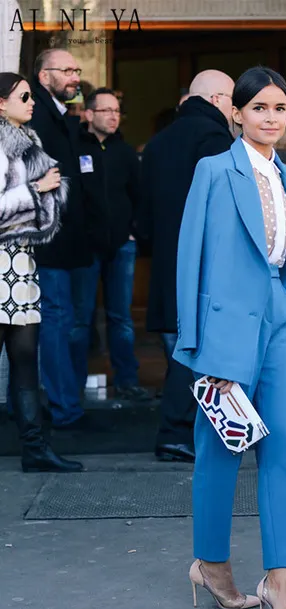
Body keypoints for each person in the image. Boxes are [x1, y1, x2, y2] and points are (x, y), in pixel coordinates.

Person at [174, 66, 286, 609]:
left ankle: (280, 584)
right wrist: (194, 340)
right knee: (220, 455)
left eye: (280, 109)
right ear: (236, 112)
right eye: (260, 108)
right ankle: (212, 564)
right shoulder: (213, 170)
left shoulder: (285, 174)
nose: (271, 118)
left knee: (281, 452)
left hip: (281, 320)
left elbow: (284, 256)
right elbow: (190, 257)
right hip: (228, 333)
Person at [138, 69, 235, 462]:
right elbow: (224, 208)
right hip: (205, 262)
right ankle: (177, 432)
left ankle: (191, 430)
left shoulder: (158, 143)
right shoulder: (215, 140)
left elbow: (143, 214)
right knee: (194, 350)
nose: (236, 109)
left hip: (168, 262)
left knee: (185, 346)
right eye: (232, 99)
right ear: (215, 100)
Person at [0, 72, 83, 472]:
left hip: (20, 266)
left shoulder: (28, 144)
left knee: (24, 362)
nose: (32, 102)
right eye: (24, 96)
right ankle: (35, 450)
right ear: (1, 102)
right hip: (3, 266)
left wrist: (44, 192)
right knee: (20, 360)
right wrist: (35, 190)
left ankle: (35, 449)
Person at [29, 48, 107, 431]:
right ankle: (64, 408)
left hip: (70, 242)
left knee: (70, 322)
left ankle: (67, 402)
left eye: (78, 70)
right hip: (49, 244)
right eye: (68, 71)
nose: (76, 77)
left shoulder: (63, 117)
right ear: (45, 77)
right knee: (57, 322)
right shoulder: (37, 118)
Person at [70, 88, 151, 401]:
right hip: (85, 246)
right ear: (89, 115)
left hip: (121, 246)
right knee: (80, 319)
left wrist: (133, 231)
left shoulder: (126, 152)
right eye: (106, 111)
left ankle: (127, 381)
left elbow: (141, 197)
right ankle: (73, 385)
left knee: (122, 318)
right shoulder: (74, 148)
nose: (114, 116)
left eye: (117, 111)